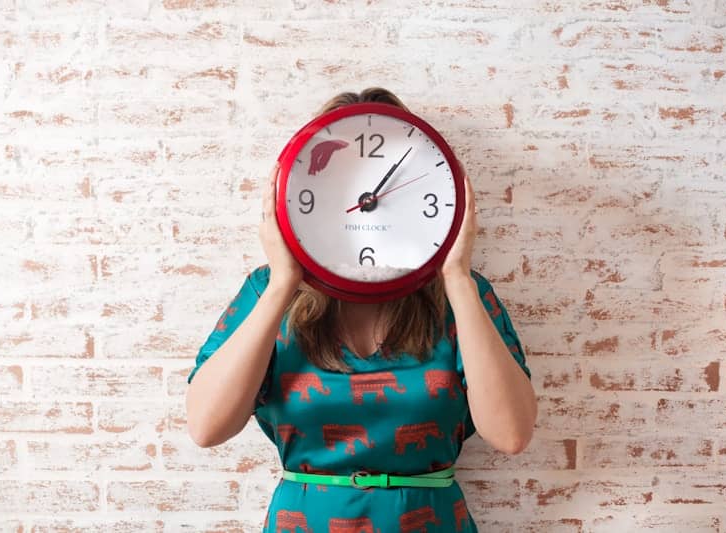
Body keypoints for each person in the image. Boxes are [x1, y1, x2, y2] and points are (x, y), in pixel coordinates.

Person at [185, 87, 538, 533]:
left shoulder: (461, 295)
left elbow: (511, 434)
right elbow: (206, 427)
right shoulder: (266, 291)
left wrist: (456, 275)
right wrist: (283, 282)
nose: (365, 201)